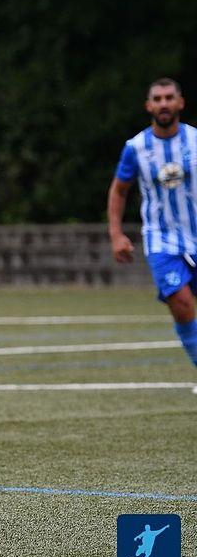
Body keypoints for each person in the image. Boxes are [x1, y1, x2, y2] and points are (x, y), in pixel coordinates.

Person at [108, 78, 197, 367]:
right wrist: (116, 234)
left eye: (169, 97)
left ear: (180, 102)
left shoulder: (195, 141)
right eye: (157, 99)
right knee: (182, 305)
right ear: (149, 106)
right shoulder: (136, 147)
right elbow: (119, 190)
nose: (164, 104)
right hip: (162, 239)